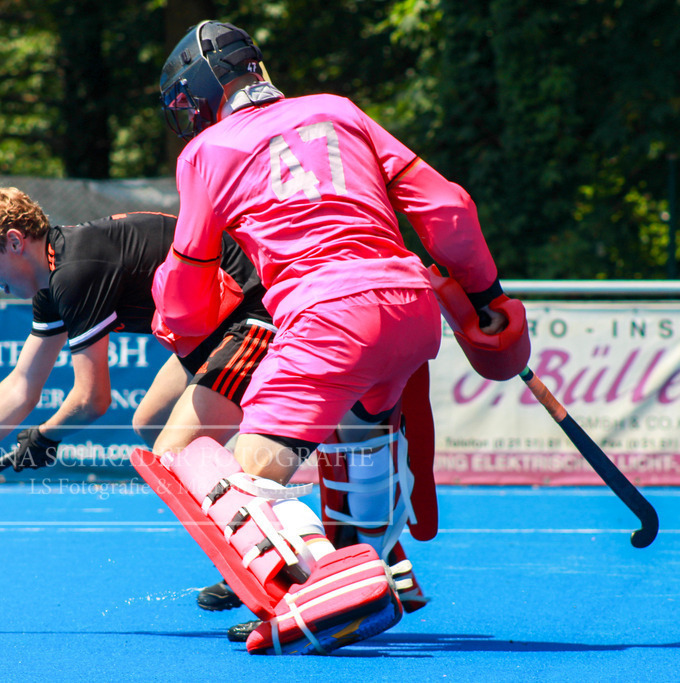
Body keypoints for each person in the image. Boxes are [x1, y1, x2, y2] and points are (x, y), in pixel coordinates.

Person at [145, 21, 526, 654]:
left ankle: (328, 587)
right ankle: (374, 569)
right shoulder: (338, 110)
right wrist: (487, 295)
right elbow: (449, 208)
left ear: (205, 91)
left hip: (326, 317)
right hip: (410, 310)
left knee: (227, 480)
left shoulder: (205, 154)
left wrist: (175, 319)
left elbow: (185, 297)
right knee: (361, 445)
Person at [0, 185, 276, 528]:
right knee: (150, 424)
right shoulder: (53, 279)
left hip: (252, 314)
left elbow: (92, 398)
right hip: (209, 331)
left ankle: (267, 534)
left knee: (171, 450)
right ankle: (245, 494)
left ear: (14, 241)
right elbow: (20, 386)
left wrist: (45, 436)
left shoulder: (74, 272)